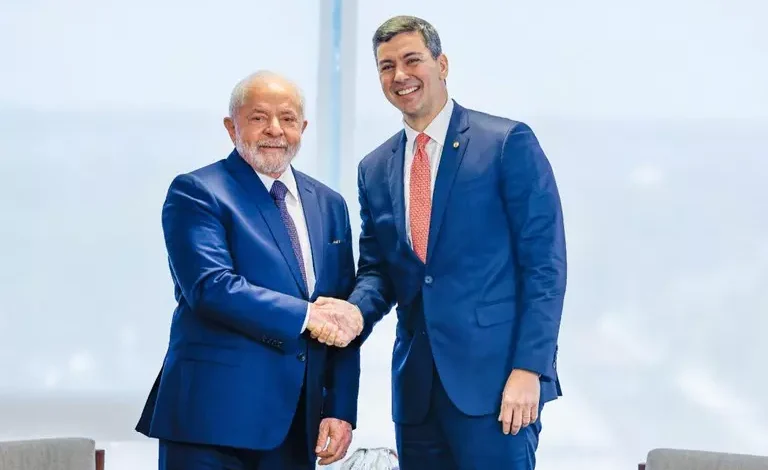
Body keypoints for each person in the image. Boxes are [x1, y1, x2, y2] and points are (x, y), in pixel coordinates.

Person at [317, 15, 567, 469]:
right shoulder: (375, 168)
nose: (400, 76)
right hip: (416, 394)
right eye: (386, 66)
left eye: (412, 60)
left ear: (442, 64)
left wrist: (530, 369)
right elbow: (379, 270)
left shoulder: (507, 143)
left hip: (498, 388)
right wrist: (354, 311)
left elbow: (545, 266)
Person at [135, 70, 364, 470]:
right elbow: (211, 287)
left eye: (288, 119)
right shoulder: (197, 191)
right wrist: (308, 316)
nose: (275, 129)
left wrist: (340, 408)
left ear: (303, 128)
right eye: (259, 117)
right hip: (212, 420)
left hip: (297, 423)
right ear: (231, 126)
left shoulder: (330, 203)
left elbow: (340, 314)